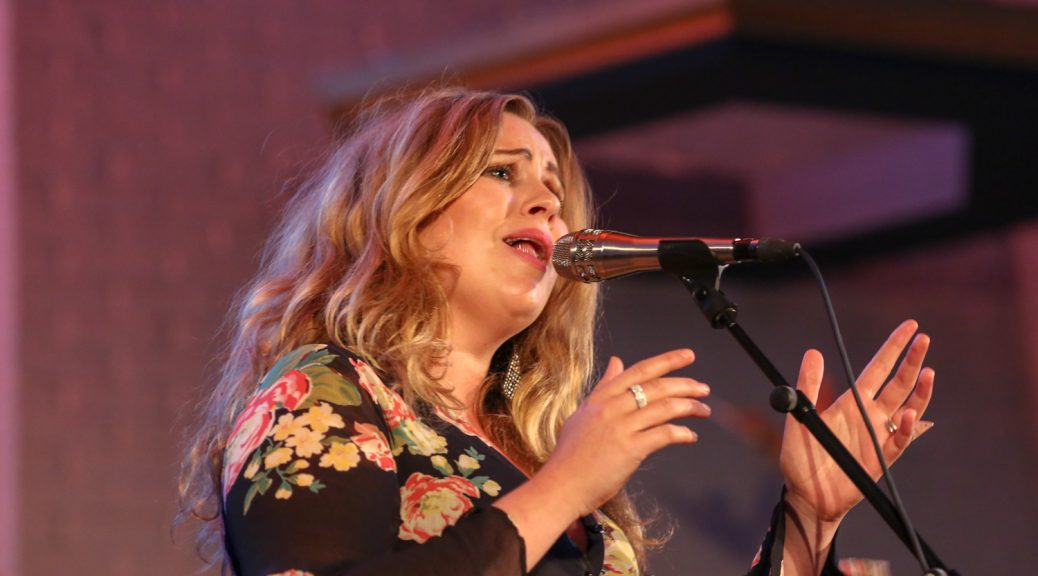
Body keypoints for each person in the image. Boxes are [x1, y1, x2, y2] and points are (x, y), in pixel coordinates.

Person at [178, 86, 935, 576]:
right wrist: (564, 486)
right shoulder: (323, 392)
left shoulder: (533, 450)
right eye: (502, 172)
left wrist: (808, 519)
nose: (547, 202)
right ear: (402, 208)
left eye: (552, 186)